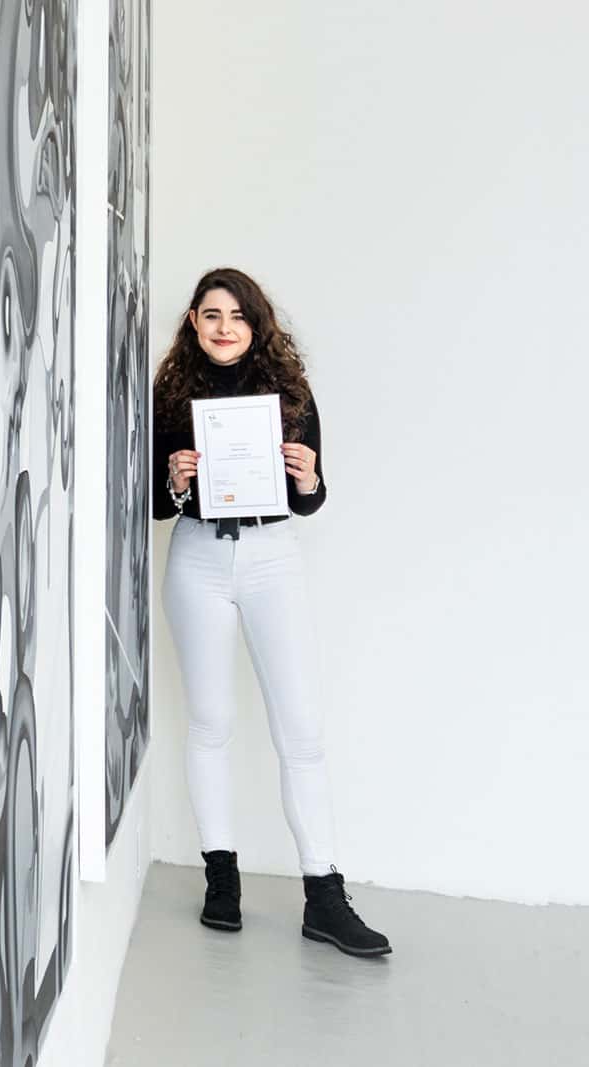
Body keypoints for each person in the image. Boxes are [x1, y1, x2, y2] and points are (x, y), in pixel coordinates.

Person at [152, 267, 391, 958]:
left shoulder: (288, 392)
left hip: (271, 555)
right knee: (210, 721)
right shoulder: (172, 394)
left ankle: (325, 894)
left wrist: (309, 476)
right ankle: (220, 881)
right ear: (194, 322)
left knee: (302, 729)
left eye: (238, 315)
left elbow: (310, 498)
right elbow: (156, 504)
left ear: (257, 324)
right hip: (197, 556)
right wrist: (174, 478)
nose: (225, 327)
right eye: (211, 314)